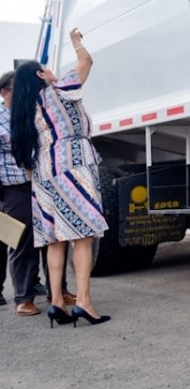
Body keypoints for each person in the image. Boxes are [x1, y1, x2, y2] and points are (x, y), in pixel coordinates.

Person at [10, 28, 110, 327]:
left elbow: (24, 155)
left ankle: (56, 302)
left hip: (42, 173)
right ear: (41, 75)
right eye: (46, 69)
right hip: (73, 166)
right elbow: (86, 62)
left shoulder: (24, 110)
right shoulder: (60, 89)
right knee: (83, 234)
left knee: (55, 239)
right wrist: (77, 42)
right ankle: (84, 302)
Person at [1, 70, 75, 317]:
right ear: (5, 93)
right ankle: (24, 298)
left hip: (44, 184)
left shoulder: (36, 112)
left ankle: (59, 291)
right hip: (15, 190)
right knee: (22, 242)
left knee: (54, 238)